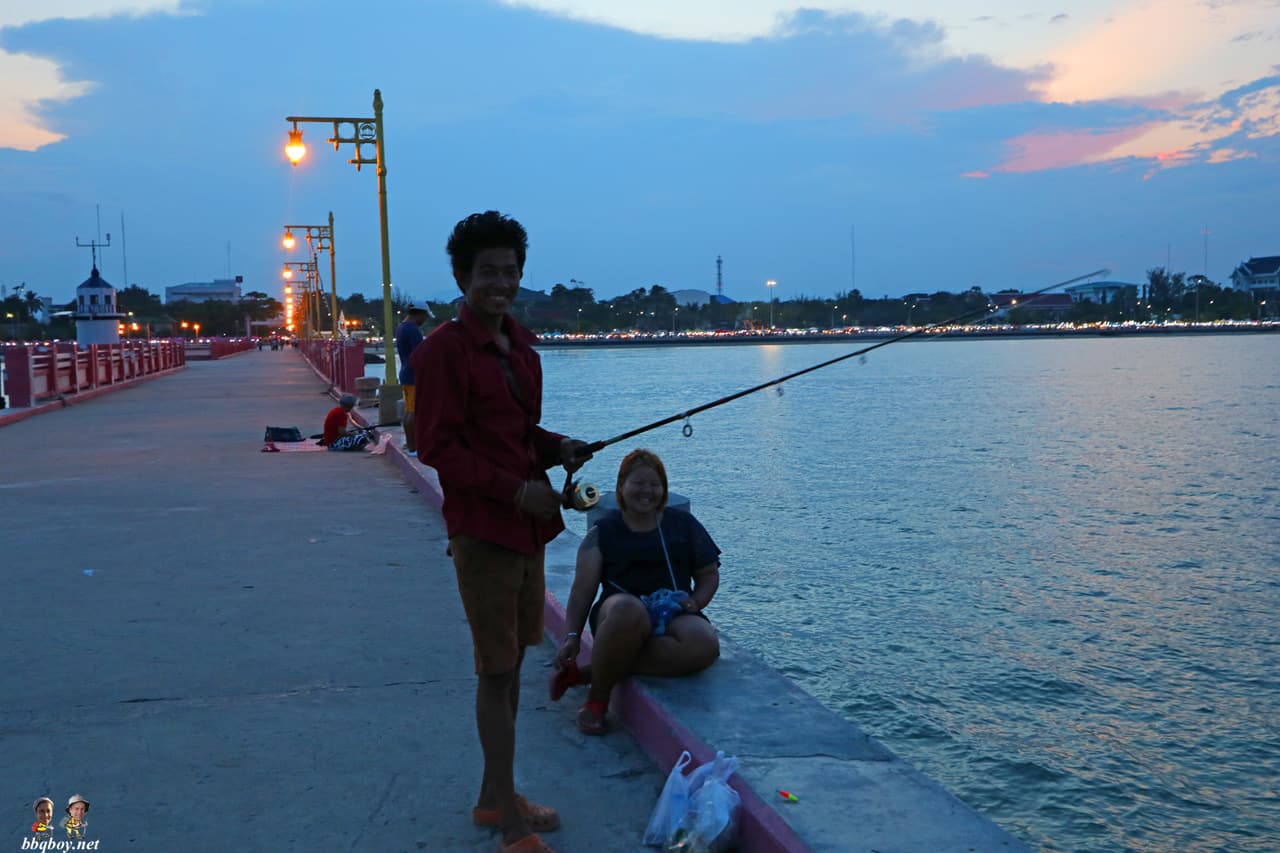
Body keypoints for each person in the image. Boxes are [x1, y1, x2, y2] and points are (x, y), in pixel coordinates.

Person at [413, 210, 592, 853]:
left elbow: (516, 436)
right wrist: (519, 490)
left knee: (513, 665)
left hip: (529, 533)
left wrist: (558, 447)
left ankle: (496, 797)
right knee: (495, 672)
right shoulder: (442, 351)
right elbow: (434, 445)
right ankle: (508, 825)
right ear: (463, 277)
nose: (501, 282)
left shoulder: (522, 346)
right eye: (487, 272)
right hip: (485, 533)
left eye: (510, 271)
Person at [551, 449, 721, 735]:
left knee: (703, 643)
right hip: (618, 613)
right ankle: (597, 701)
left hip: (673, 609)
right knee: (627, 610)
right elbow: (582, 592)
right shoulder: (601, 533)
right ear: (621, 487)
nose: (647, 491)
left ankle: (593, 671)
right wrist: (572, 637)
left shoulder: (684, 525)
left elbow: (708, 574)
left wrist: (696, 601)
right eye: (638, 483)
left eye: (654, 485)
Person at [394, 302, 432, 456]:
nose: (426, 320)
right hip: (414, 375)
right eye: (425, 316)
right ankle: (413, 448)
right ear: (419, 314)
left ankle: (412, 445)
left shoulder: (402, 327)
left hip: (406, 372)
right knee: (413, 411)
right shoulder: (413, 330)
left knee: (410, 410)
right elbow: (420, 354)